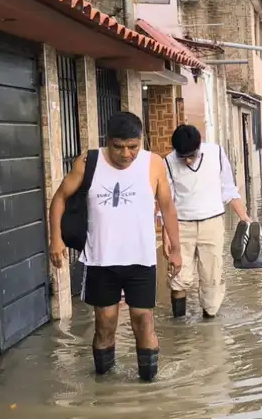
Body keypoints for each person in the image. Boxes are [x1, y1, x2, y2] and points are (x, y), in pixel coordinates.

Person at [48, 112, 182, 381]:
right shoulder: (89, 162)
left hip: (141, 260)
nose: (126, 154)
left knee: (143, 320)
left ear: (141, 141)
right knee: (105, 323)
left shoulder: (153, 163)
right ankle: (104, 385)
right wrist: (55, 238)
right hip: (101, 260)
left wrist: (175, 248)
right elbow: (60, 198)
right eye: (118, 146)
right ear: (107, 141)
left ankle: (148, 386)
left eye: (133, 147)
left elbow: (167, 206)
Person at [162, 124, 250, 319]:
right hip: (180, 226)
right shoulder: (167, 162)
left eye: (191, 155)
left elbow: (228, 188)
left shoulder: (216, 153)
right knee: (178, 278)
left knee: (211, 277)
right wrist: (166, 233)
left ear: (199, 146)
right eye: (182, 156)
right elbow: (166, 202)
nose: (187, 160)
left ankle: (209, 323)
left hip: (212, 224)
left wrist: (244, 217)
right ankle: (179, 325)